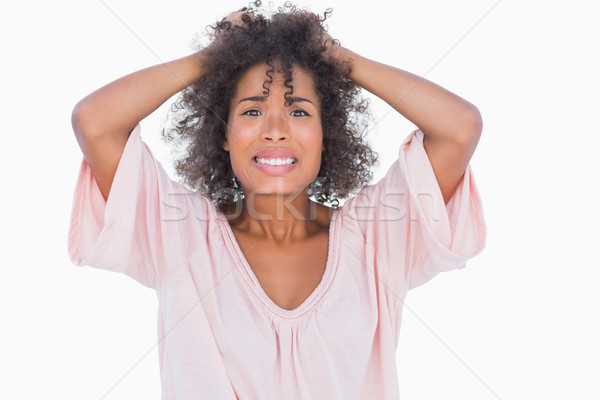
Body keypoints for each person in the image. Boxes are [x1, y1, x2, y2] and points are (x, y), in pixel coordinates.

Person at [69, 3, 486, 399]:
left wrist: (336, 57)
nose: (275, 129)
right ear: (222, 133)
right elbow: (96, 121)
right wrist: (214, 57)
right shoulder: (181, 236)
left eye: (300, 112)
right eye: (251, 112)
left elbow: (459, 128)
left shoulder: (376, 239)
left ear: (328, 137)